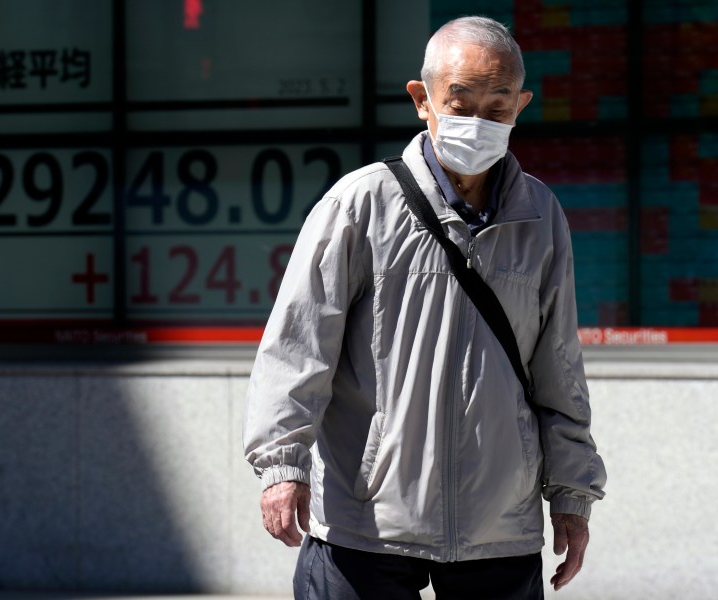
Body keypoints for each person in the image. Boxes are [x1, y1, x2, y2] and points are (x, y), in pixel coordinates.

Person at [243, 15, 607, 599]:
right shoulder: (361, 204)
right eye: (460, 103)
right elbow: (298, 346)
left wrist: (573, 493)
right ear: (422, 100)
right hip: (368, 522)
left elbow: (558, 368)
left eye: (497, 107)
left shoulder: (540, 215)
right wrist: (281, 466)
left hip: (500, 523)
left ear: (521, 105)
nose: (478, 122)